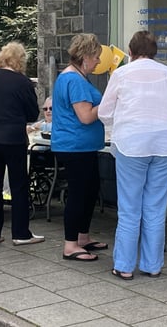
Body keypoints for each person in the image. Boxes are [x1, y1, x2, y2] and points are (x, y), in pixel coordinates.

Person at [98, 31, 167, 279]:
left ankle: (125, 266)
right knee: (156, 207)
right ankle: (152, 265)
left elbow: (104, 113)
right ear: (155, 50)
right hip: (164, 144)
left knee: (129, 207)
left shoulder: (121, 73)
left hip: (131, 145)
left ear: (130, 50)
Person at [0, 42, 42, 247]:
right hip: (13, 139)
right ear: (20, 60)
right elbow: (32, 114)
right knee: (19, 185)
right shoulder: (22, 82)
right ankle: (21, 233)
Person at [51, 33, 106, 262]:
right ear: (85, 56)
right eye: (96, 57)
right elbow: (85, 117)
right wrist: (108, 104)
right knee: (78, 193)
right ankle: (70, 244)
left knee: (89, 190)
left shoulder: (74, 77)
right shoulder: (74, 80)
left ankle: (82, 237)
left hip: (80, 146)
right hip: (76, 146)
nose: (98, 62)